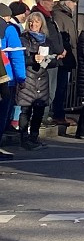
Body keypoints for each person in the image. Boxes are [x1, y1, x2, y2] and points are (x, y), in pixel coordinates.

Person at [16, 12, 57, 150]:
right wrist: (33, 59)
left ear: (41, 24)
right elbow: (19, 59)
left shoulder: (47, 40)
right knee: (26, 109)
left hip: (42, 78)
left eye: (37, 22)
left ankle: (34, 136)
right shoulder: (23, 39)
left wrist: (47, 60)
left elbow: (54, 62)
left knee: (39, 110)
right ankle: (24, 138)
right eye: (31, 22)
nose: (33, 25)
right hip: (28, 77)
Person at [52, 0, 78, 128]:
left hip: (68, 57)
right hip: (62, 58)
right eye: (73, 2)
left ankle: (59, 113)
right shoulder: (58, 16)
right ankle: (58, 115)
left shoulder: (66, 16)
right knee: (59, 88)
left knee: (63, 87)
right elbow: (60, 38)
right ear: (66, 3)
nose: (74, 5)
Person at [2, 2, 26, 140]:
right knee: (4, 110)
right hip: (7, 77)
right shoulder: (9, 30)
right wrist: (21, 77)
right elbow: (16, 56)